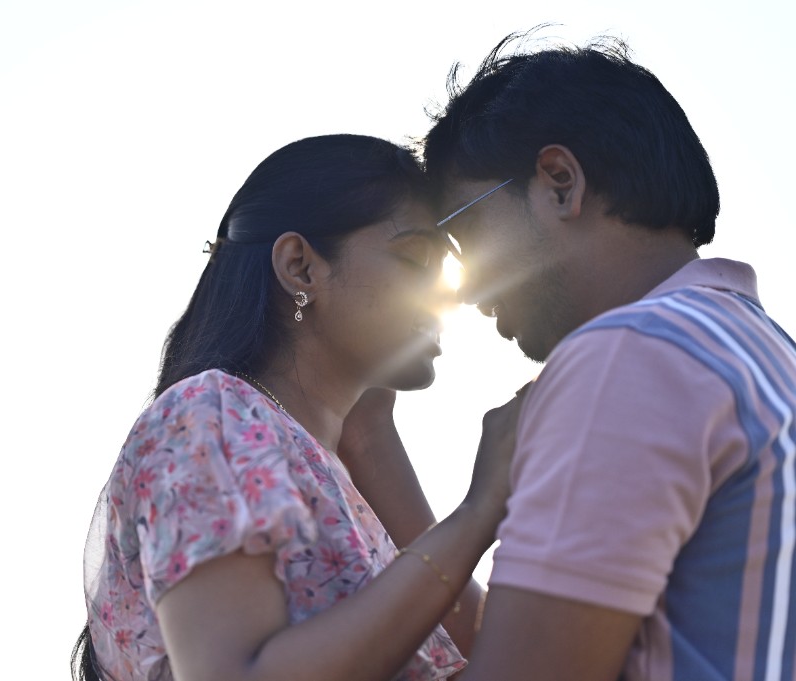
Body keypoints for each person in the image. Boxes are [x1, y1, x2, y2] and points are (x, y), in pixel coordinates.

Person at [410, 33, 796, 680]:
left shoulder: (626, 359)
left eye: (466, 232)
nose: (468, 287)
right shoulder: (763, 352)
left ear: (560, 182)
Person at [73, 134, 524, 681]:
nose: (449, 293)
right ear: (300, 267)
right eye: (416, 258)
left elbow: (498, 650)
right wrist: (479, 511)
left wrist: (372, 434)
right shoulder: (207, 415)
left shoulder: (327, 464)